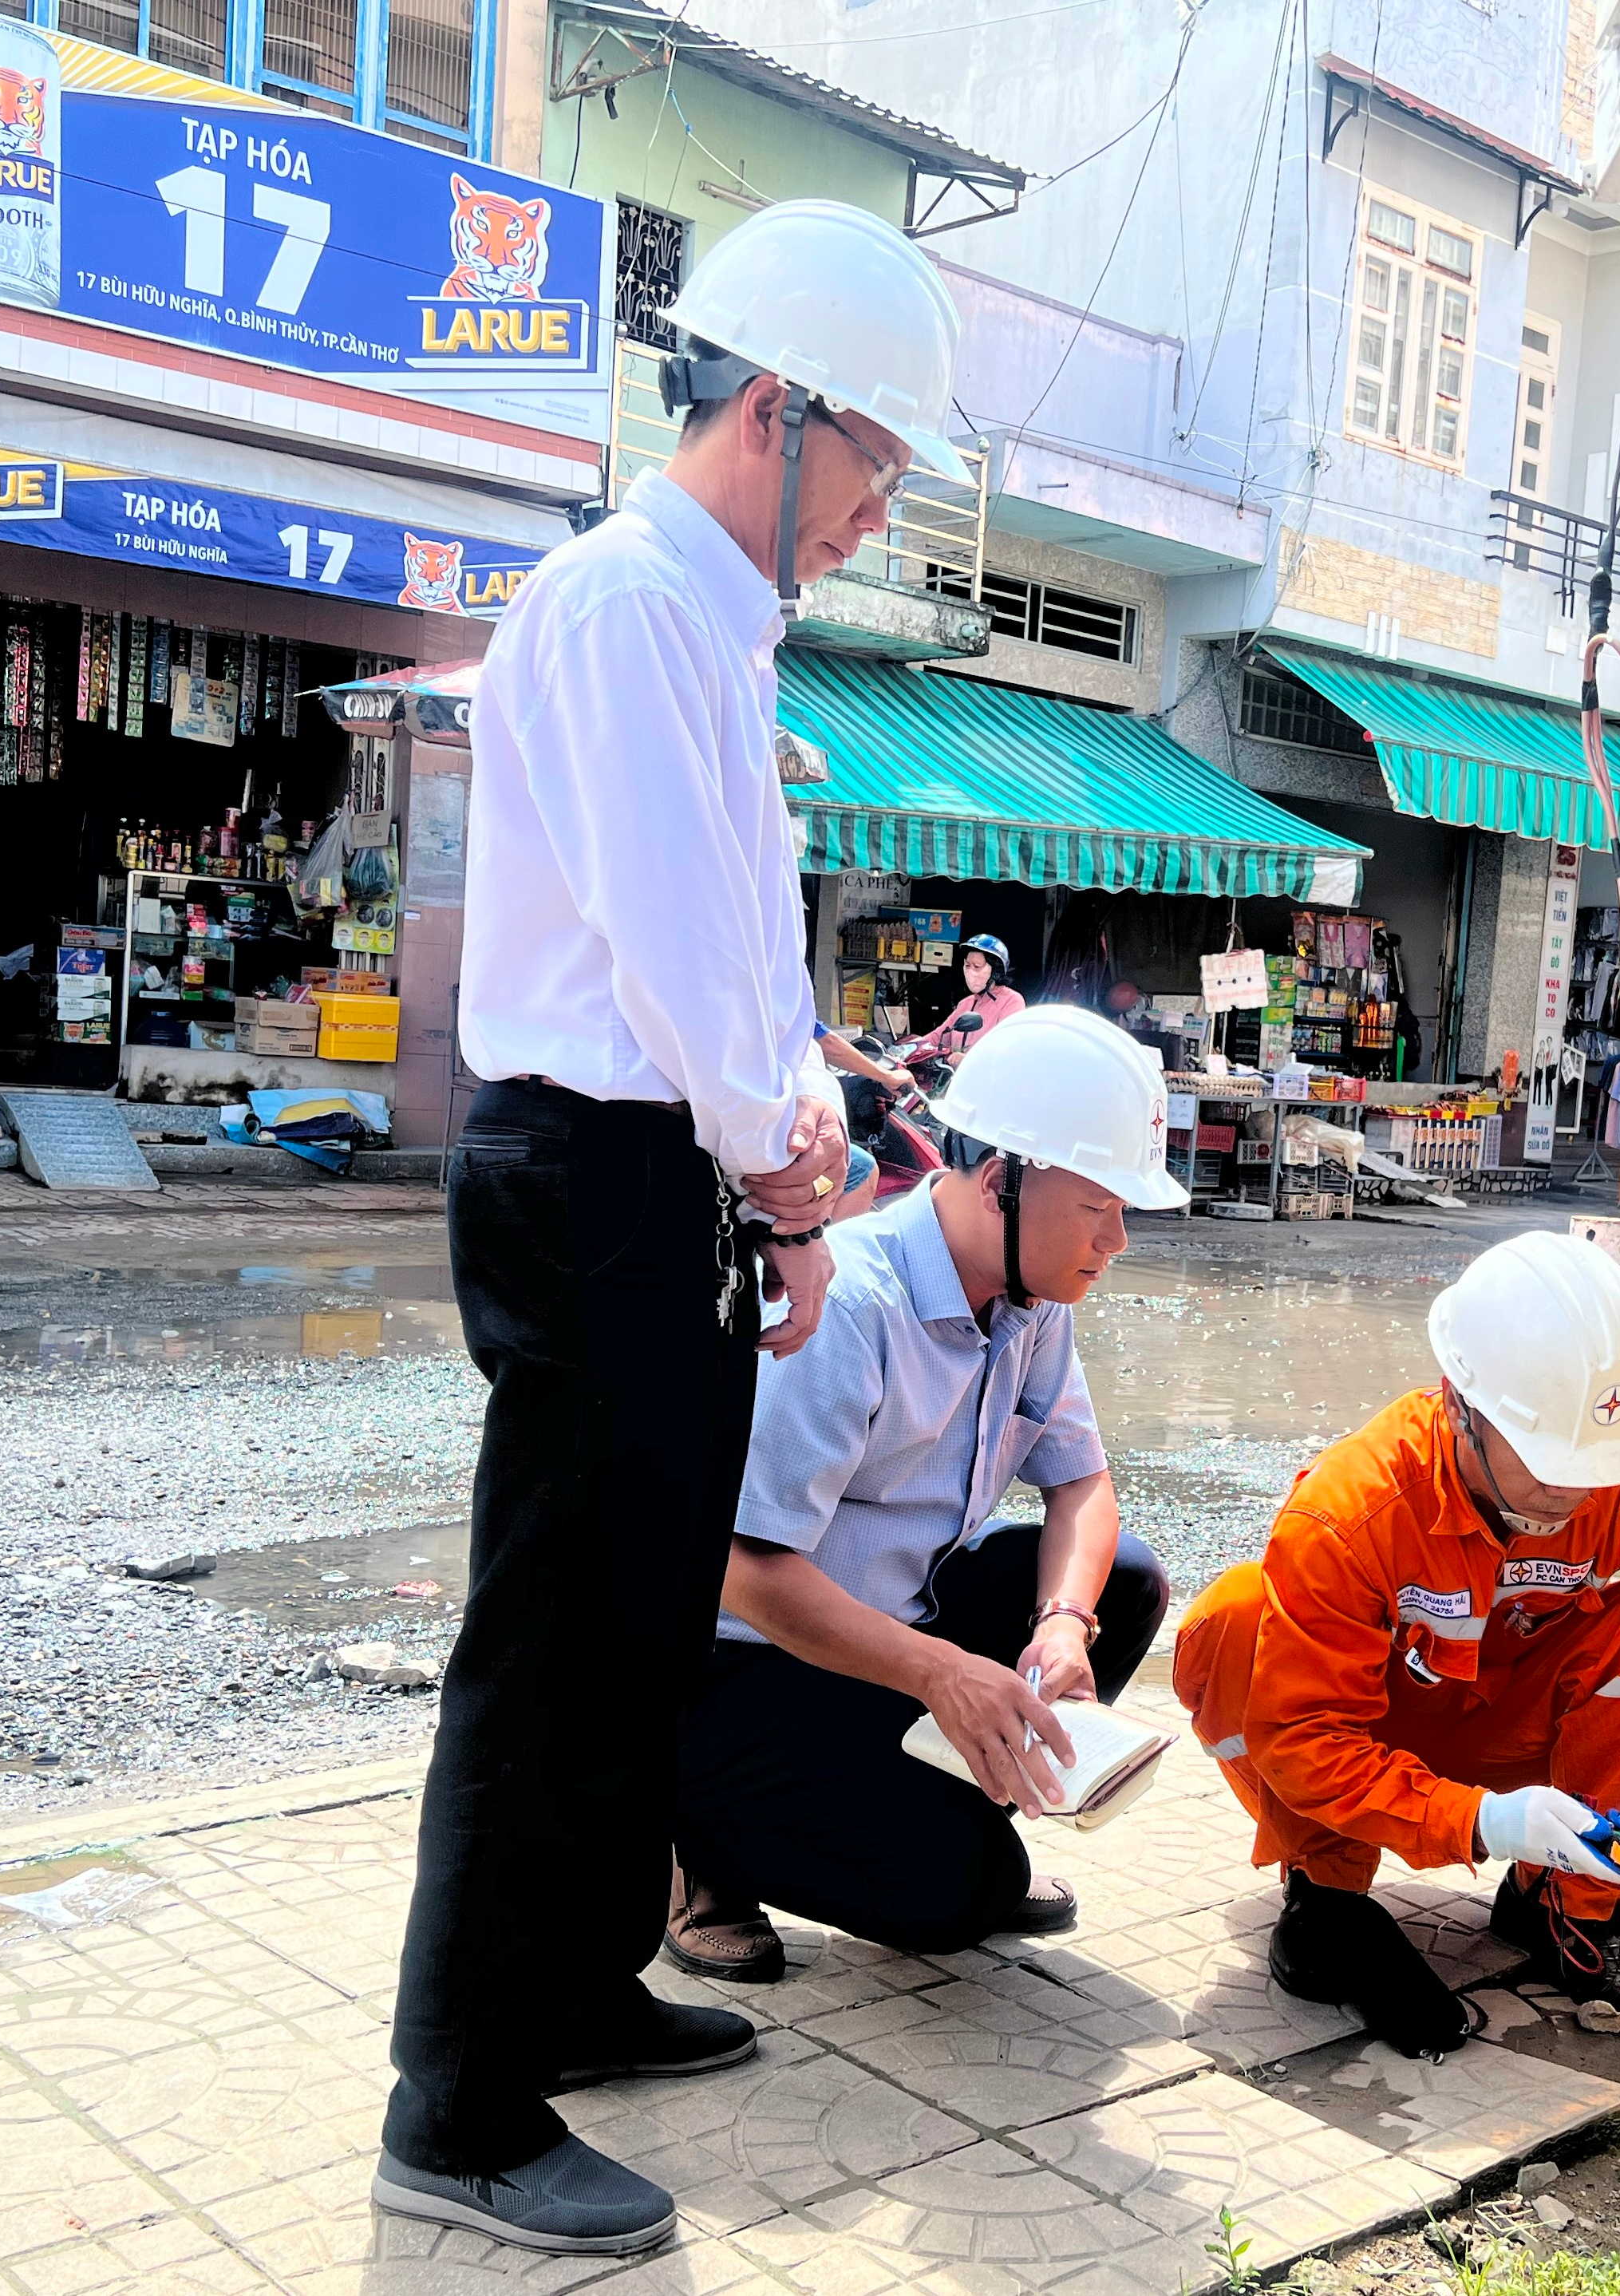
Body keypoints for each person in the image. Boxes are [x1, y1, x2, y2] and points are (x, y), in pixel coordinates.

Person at [373, 197, 974, 2260]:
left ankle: (573, 1988)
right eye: (874, 469)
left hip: (672, 1177)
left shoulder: (711, 627)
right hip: (598, 1168)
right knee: (549, 1643)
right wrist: (789, 1166)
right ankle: (457, 2092)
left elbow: (743, 950)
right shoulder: (630, 606)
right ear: (779, 412)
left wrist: (785, 1164)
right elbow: (669, 948)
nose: (875, 517)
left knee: (636, 1625)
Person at [667, 1005, 1189, 1983]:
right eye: (1099, 1209)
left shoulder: (1030, 1299)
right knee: (953, 1896)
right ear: (1001, 1182)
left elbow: (1082, 1482)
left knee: (1118, 1581)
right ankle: (696, 1844)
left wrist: (1064, 1628)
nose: (1116, 1240)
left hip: (890, 1637)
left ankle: (940, 1813)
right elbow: (741, 1570)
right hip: (749, 1670)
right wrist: (943, 1677)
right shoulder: (852, 1307)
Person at [1174, 1231, 1620, 2055]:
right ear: (1459, 1406)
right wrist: (1482, 1822)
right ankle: (1326, 1897)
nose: (1572, 1489)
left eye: (1595, 1463)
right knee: (1236, 1621)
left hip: (1513, 1729)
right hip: (1379, 1734)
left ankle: (1570, 1900)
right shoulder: (1348, 1513)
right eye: (1544, 1459)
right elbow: (1305, 1737)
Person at [903, 935, 1025, 1062]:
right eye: (967, 966)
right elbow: (939, 1035)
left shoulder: (1012, 1001)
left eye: (977, 966)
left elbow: (1006, 1044)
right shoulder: (966, 1003)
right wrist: (908, 1049)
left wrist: (969, 1059)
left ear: (995, 972)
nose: (971, 971)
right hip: (954, 1076)